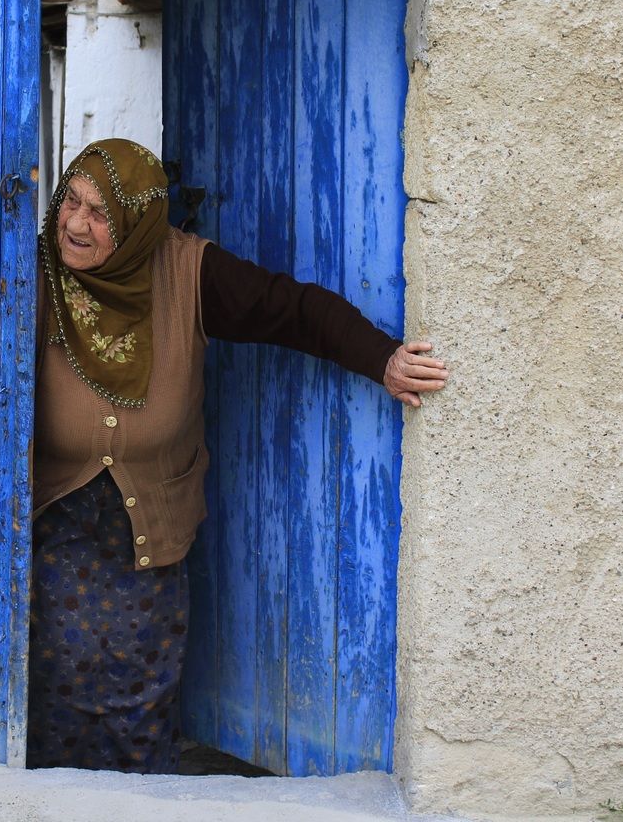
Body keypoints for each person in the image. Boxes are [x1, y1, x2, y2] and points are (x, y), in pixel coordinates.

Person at [27, 139, 449, 773]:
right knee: (58, 691)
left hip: (151, 532)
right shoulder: (30, 275)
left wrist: (382, 360)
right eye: (71, 202)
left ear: (138, 222)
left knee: (139, 701)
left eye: (100, 213)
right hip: (57, 524)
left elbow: (293, 310)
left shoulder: (186, 272)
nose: (76, 224)